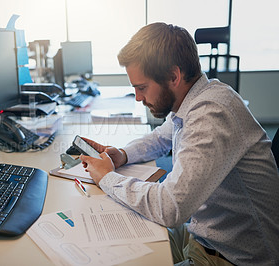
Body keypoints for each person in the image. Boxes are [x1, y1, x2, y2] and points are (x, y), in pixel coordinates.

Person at [79, 22, 279, 266]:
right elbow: (161, 137)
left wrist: (108, 177)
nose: (139, 98)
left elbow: (170, 208)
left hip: (232, 256)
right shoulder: (196, 98)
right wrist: (122, 154)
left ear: (174, 76)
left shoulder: (211, 113)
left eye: (142, 87)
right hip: (205, 234)